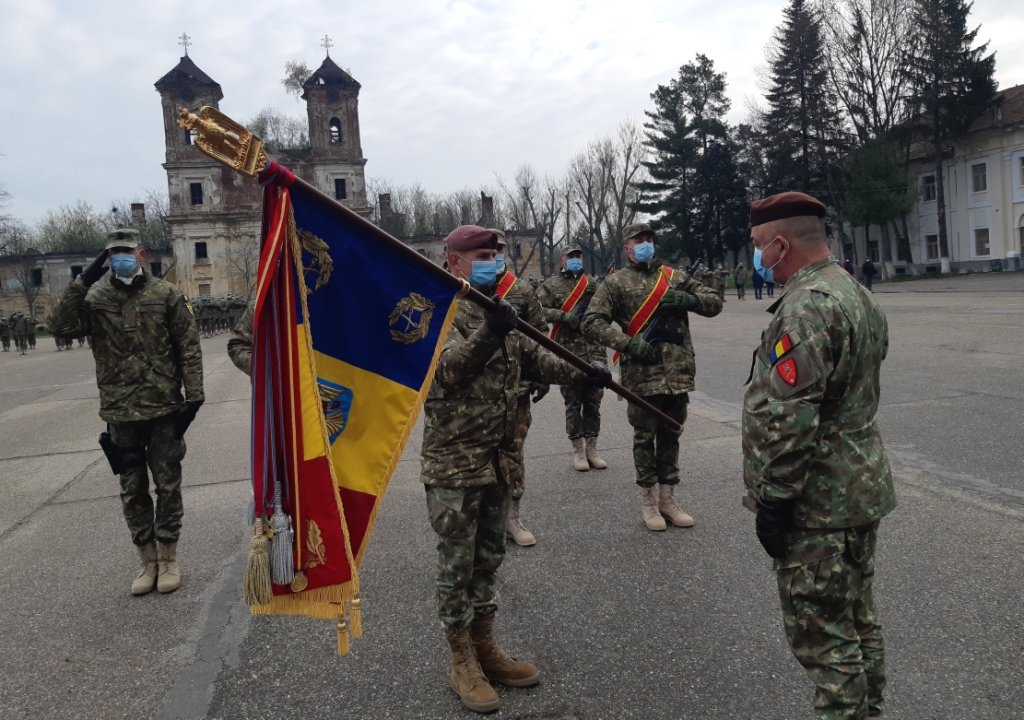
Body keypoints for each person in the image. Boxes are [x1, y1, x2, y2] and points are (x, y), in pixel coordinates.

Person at [422, 225, 610, 713]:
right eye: (483, 255)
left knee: (488, 560)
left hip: (499, 457)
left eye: (497, 255)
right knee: (456, 566)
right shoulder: (431, 308)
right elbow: (447, 370)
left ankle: (486, 645)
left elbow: (536, 358)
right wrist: (492, 330)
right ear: (453, 261)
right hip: (455, 463)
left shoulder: (495, 308)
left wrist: (587, 371)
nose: (494, 263)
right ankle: (461, 659)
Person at [743, 192, 895, 720]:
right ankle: (869, 709)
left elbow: (792, 417)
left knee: (824, 638)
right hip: (859, 488)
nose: (758, 254)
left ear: (781, 243)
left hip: (818, 503)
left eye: (761, 244)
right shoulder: (854, 293)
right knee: (856, 619)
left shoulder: (806, 307)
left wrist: (775, 502)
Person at [50, 228, 205, 596]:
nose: (120, 256)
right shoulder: (95, 297)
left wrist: (194, 396)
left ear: (140, 253)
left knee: (168, 485)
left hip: (164, 406)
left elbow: (188, 345)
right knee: (132, 489)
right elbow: (61, 327)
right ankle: (146, 560)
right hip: (120, 411)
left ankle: (168, 557)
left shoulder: (165, 294)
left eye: (126, 250)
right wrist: (81, 282)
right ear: (107, 258)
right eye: (113, 252)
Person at [583, 223, 722, 531]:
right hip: (641, 376)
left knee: (672, 434)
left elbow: (714, 302)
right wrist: (627, 343)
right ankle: (648, 501)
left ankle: (668, 500)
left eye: (649, 239)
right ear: (627, 247)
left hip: (677, 373)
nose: (645, 244)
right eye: (638, 240)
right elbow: (591, 323)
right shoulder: (615, 283)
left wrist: (691, 301)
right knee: (645, 438)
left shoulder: (674, 278)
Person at [490, 230, 549, 547]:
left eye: (499, 249)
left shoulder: (522, 289)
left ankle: (512, 517)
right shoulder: (463, 289)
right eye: (489, 250)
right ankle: (488, 520)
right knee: (482, 454)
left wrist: (542, 375)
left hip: (517, 387)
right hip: (477, 392)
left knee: (513, 451)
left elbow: (541, 334)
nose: (495, 255)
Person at [537, 244, 609, 473]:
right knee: (573, 402)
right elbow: (537, 310)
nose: (576, 259)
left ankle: (592, 449)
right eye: (571, 256)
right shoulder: (551, 285)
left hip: (594, 351)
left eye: (579, 256)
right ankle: (577, 450)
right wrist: (563, 316)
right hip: (568, 353)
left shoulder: (594, 285)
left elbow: (608, 308)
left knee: (593, 402)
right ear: (562, 260)